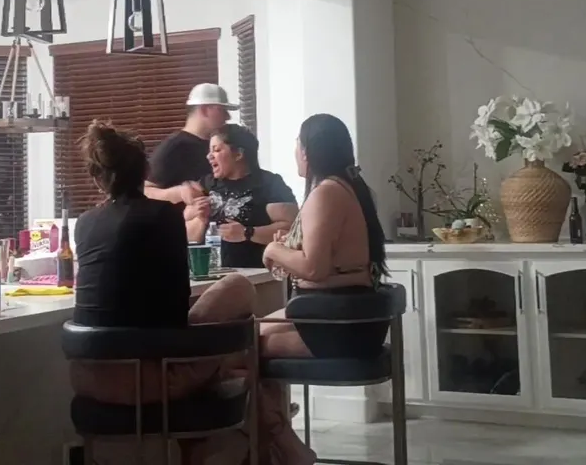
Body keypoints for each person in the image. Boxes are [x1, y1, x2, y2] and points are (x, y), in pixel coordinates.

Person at [68, 120, 305, 465]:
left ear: (97, 178)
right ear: (145, 172)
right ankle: (275, 443)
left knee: (233, 355)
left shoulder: (85, 223)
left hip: (88, 377)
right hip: (149, 376)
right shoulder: (162, 215)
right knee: (239, 327)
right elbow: (175, 306)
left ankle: (247, 447)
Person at [256, 114, 392, 464]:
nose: (295, 152)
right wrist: (289, 249)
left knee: (240, 345)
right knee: (247, 331)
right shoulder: (348, 187)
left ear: (308, 151)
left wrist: (274, 250)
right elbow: (335, 264)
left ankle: (281, 442)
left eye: (297, 145)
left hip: (336, 325)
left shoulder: (326, 193)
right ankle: (278, 433)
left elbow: (314, 268)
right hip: (345, 317)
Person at [184, 124, 298, 268]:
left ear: (238, 154)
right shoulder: (206, 184)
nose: (209, 156)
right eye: (209, 151)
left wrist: (248, 233)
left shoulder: (268, 183)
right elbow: (187, 234)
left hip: (256, 273)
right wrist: (200, 219)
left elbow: (292, 230)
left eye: (217, 150)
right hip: (209, 272)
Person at [144, 83, 238, 209]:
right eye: (222, 110)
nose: (228, 116)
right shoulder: (175, 147)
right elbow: (145, 191)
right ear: (204, 110)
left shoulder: (223, 145)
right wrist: (178, 193)